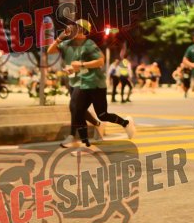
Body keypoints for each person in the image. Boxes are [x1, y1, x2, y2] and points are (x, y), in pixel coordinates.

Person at [47, 20, 135, 148]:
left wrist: (81, 65)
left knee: (102, 115)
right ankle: (81, 141)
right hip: (78, 83)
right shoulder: (66, 44)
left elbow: (100, 61)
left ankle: (125, 123)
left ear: (82, 30)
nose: (72, 29)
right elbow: (50, 51)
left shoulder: (88, 44)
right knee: (76, 109)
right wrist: (60, 38)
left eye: (76, 27)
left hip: (94, 83)